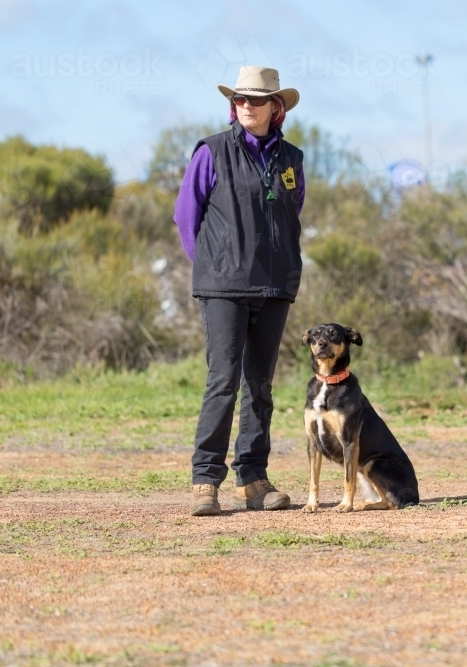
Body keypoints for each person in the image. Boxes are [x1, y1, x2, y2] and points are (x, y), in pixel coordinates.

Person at [173, 66, 306, 516]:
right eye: (240, 99)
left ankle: (253, 480)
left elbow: (292, 214)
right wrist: (213, 266)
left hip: (274, 286)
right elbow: (186, 217)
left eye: (256, 99)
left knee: (260, 385)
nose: (246, 105)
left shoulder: (292, 159)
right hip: (223, 286)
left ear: (276, 108)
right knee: (223, 379)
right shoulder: (211, 151)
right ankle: (205, 480)